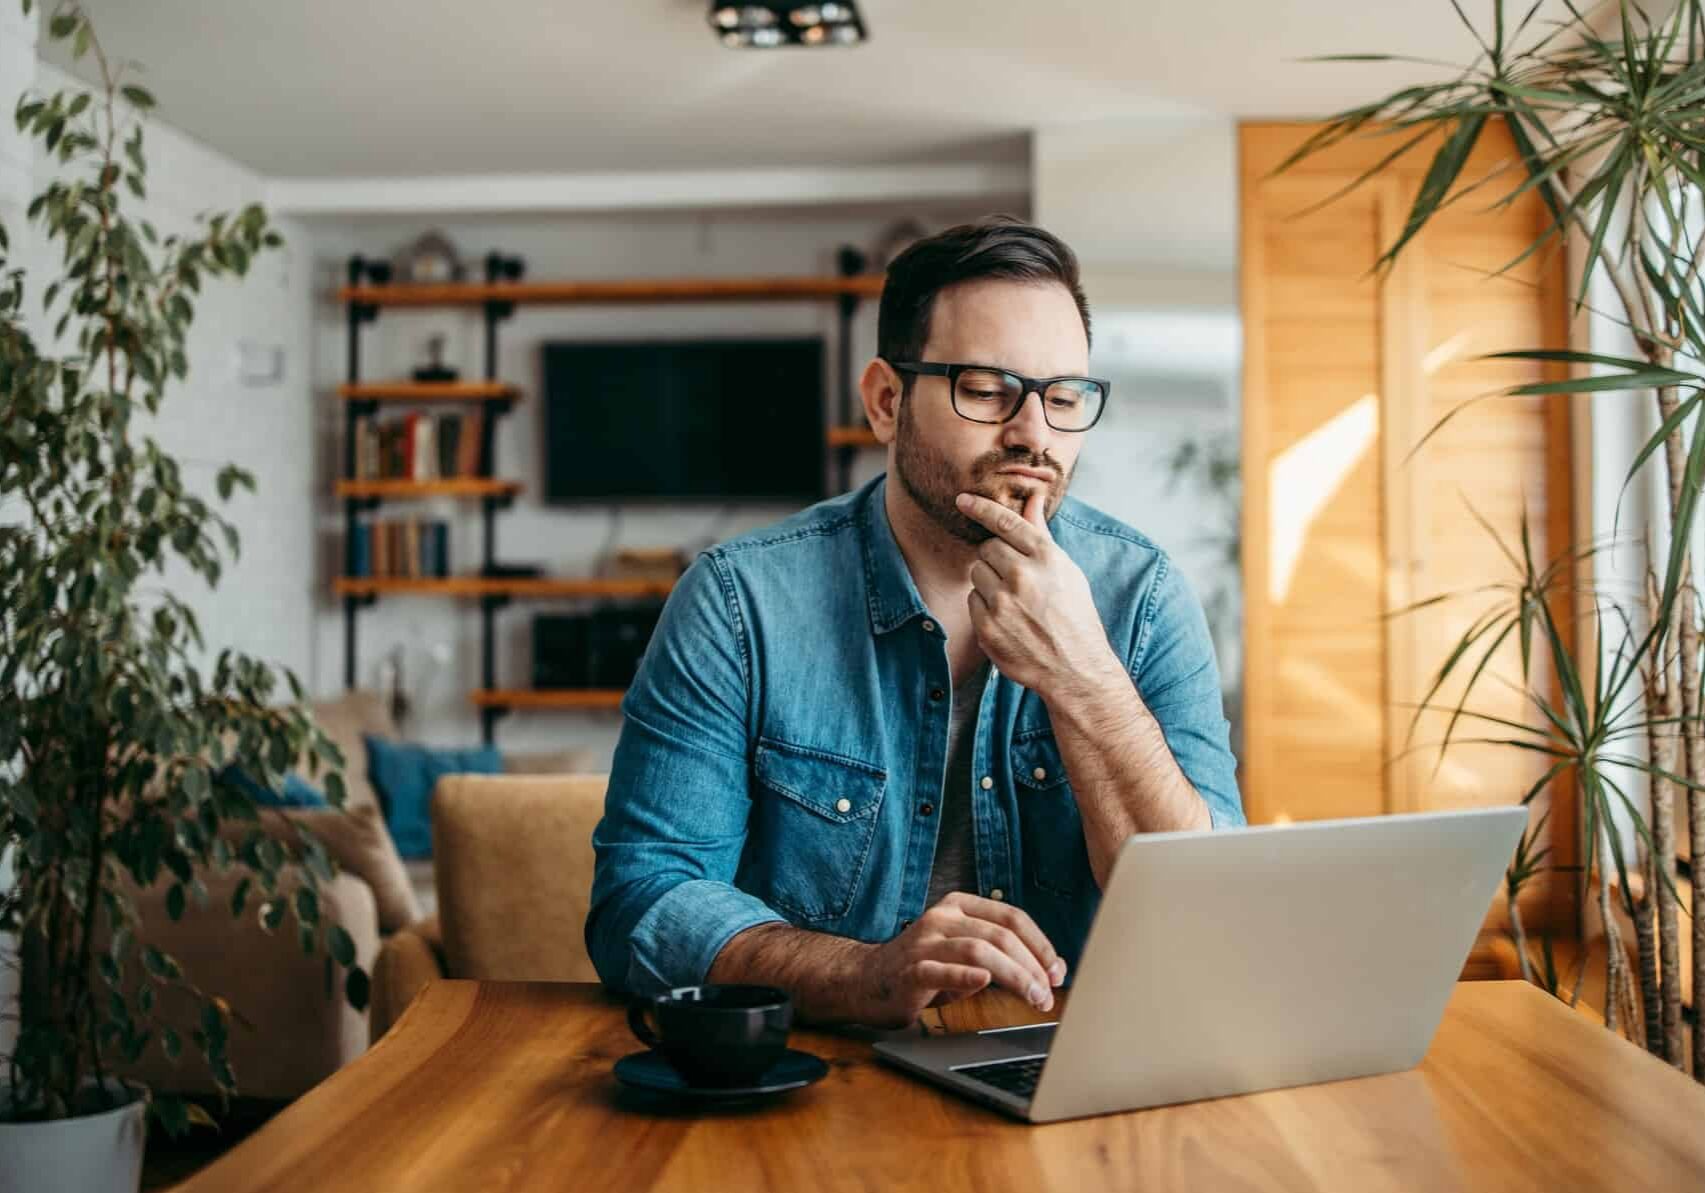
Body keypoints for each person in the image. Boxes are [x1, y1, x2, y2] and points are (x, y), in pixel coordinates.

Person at [586, 215, 1244, 1029]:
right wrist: (865, 973)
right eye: (985, 387)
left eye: (1063, 395)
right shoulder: (737, 604)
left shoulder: (1140, 596)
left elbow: (1202, 911)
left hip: (1078, 1066)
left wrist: (1083, 673)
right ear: (886, 402)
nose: (1033, 433)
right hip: (823, 1079)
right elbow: (640, 905)